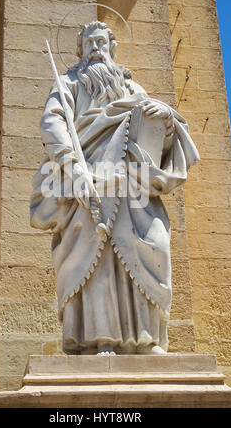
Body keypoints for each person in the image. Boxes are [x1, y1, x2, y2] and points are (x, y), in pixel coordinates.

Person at [30, 21, 199, 355]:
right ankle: (99, 339)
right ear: (80, 51)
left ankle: (146, 339)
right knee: (98, 259)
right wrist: (71, 164)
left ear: (112, 47)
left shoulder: (133, 89)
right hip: (87, 178)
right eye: (88, 43)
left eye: (101, 42)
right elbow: (53, 123)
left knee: (152, 244)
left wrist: (165, 115)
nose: (95, 48)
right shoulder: (69, 83)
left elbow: (157, 138)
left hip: (133, 185)